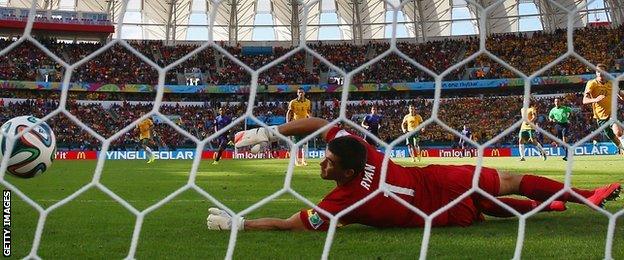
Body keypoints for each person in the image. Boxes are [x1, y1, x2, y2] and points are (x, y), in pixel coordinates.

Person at [208, 118, 620, 231]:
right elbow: (319, 124)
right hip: (441, 199)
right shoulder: (357, 169)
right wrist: (268, 133)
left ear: (349, 169)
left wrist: (241, 224)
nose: (321, 163)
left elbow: (289, 224)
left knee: (502, 192)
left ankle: (583, 196)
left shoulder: (342, 201)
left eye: (328, 162)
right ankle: (559, 203)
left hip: (439, 197)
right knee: (500, 203)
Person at [582, 63, 624, 154]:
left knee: (618, 132)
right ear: (596, 73)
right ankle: (622, 148)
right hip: (600, 117)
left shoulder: (612, 84)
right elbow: (584, 100)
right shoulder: (592, 83)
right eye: (598, 71)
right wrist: (595, 99)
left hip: (612, 113)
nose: (600, 73)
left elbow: (621, 95)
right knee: (612, 137)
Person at [286, 87, 312, 166]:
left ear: (304, 93)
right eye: (299, 92)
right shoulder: (293, 102)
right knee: (295, 143)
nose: (301, 93)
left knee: (305, 143)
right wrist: (287, 122)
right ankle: (296, 161)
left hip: (304, 125)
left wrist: (311, 120)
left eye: (302, 92)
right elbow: (289, 112)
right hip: (296, 125)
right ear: (297, 93)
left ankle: (304, 160)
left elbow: (309, 112)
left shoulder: (308, 102)